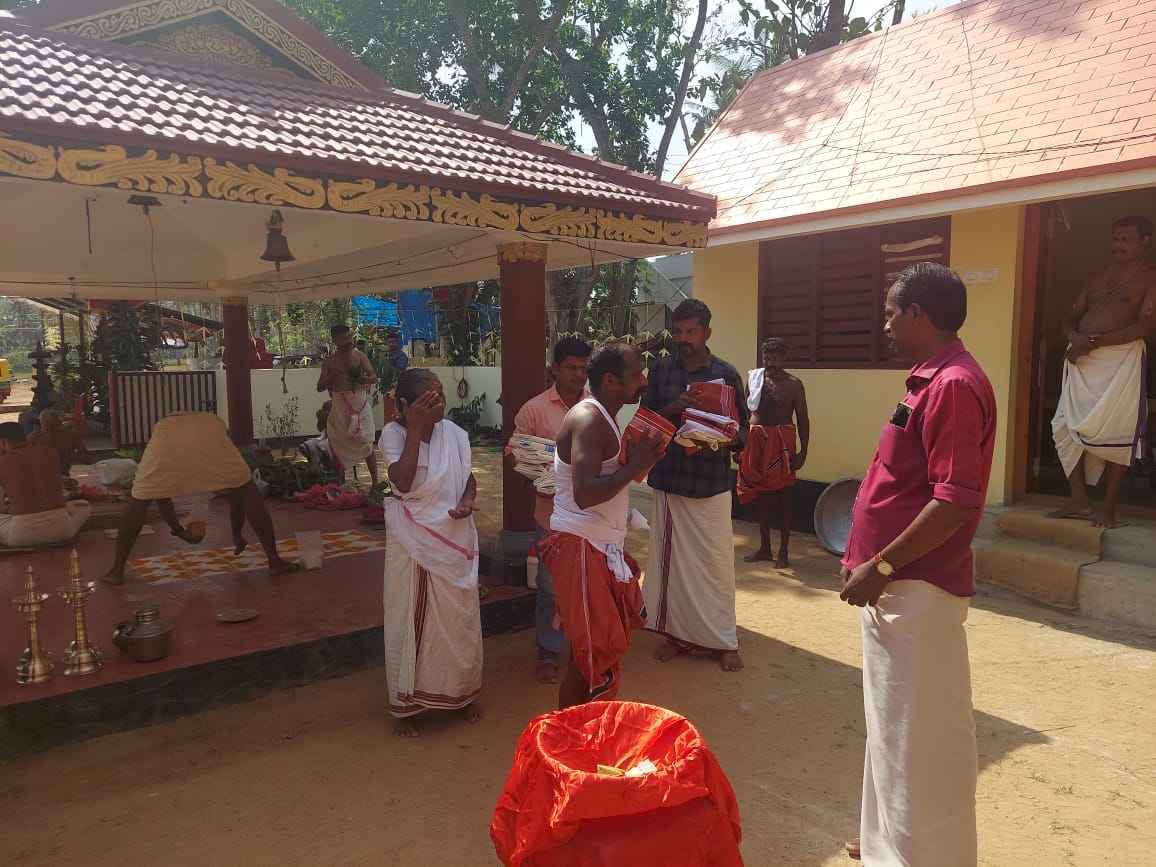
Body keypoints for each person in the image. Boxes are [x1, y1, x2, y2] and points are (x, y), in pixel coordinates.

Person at [839, 262, 996, 866]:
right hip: (896, 590)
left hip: (916, 591)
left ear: (918, 315)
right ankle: (886, 845)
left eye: (889, 313)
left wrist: (878, 565)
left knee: (919, 736)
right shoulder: (928, 380)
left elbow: (955, 501)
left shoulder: (954, 384)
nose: (885, 324)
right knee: (892, 729)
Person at [539, 341, 664, 708]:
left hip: (598, 546)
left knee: (591, 653)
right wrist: (633, 466)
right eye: (636, 375)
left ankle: (581, 736)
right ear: (611, 381)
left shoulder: (603, 415)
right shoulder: (590, 419)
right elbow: (585, 493)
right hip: (580, 545)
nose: (642, 381)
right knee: (597, 649)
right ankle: (577, 738)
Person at [641, 299, 749, 672]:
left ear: (707, 333)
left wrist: (727, 436)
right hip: (670, 479)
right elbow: (645, 418)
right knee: (672, 566)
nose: (683, 338)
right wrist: (675, 407)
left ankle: (723, 640)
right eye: (678, 331)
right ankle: (676, 636)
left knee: (717, 565)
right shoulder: (660, 370)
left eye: (691, 332)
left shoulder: (727, 374)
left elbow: (745, 430)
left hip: (711, 482)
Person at [380, 368, 483, 737]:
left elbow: (466, 476)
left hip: (454, 535)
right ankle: (407, 706)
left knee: (459, 621)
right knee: (412, 618)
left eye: (440, 395)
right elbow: (402, 481)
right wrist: (415, 428)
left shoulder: (454, 434)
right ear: (405, 405)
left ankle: (461, 694)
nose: (439, 403)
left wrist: (467, 501)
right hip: (414, 541)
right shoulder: (392, 434)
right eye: (428, 399)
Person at [1048, 215, 1156, 529]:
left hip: (1120, 360)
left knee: (1117, 433)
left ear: (1143, 243)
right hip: (1082, 359)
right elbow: (1071, 315)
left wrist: (1094, 342)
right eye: (1115, 239)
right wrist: (1073, 337)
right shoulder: (1097, 278)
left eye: (1126, 240)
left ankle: (1107, 508)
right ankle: (1080, 499)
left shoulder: (1149, 277)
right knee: (1062, 427)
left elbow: (1147, 325)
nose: (1118, 245)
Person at [101, 412, 298, 584]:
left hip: (166, 441)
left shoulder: (164, 426)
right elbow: (238, 494)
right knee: (248, 491)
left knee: (140, 500)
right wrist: (236, 535)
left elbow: (160, 495)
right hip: (210, 431)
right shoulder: (213, 423)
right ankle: (274, 561)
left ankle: (116, 571)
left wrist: (179, 531)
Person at [505, 337, 592, 685]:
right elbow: (513, 453)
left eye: (584, 368)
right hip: (551, 514)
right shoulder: (534, 409)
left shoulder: (595, 406)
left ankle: (586, 648)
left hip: (591, 514)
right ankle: (549, 652)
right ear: (555, 368)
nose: (578, 374)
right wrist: (530, 479)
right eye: (571, 367)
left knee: (589, 584)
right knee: (550, 586)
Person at [738, 337, 809, 568]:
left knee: (785, 497)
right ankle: (765, 548)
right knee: (759, 495)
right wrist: (740, 445)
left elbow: (803, 418)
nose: (770, 363)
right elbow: (745, 412)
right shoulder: (755, 379)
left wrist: (804, 450)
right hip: (756, 440)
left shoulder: (793, 384)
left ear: (783, 358)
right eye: (766, 358)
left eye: (775, 358)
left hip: (782, 442)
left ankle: (784, 551)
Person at [0, 422, 91, 547]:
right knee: (84, 506)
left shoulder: (2, 462)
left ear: (2, 443)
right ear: (25, 437)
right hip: (63, 530)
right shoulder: (50, 453)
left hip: (21, 536)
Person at [316, 324, 380, 486]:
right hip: (340, 404)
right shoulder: (330, 361)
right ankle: (339, 486)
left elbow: (373, 377)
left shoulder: (359, 356)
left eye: (349, 336)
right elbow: (319, 387)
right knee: (338, 444)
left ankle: (376, 484)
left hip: (359, 402)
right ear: (335, 341)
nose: (349, 340)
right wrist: (331, 377)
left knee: (366, 443)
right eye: (344, 338)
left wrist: (363, 379)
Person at [29, 408, 91, 473]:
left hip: (57, 474)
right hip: (44, 474)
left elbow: (87, 459)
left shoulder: (34, 437)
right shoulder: (34, 437)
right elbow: (87, 459)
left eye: (53, 429)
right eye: (47, 429)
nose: (50, 434)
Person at [298, 400, 334, 473]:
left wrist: (330, 417)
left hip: (342, 439)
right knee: (308, 446)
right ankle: (318, 474)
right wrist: (321, 419)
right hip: (327, 437)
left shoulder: (344, 404)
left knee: (323, 447)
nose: (330, 392)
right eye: (329, 389)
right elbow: (320, 428)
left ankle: (329, 474)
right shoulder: (327, 404)